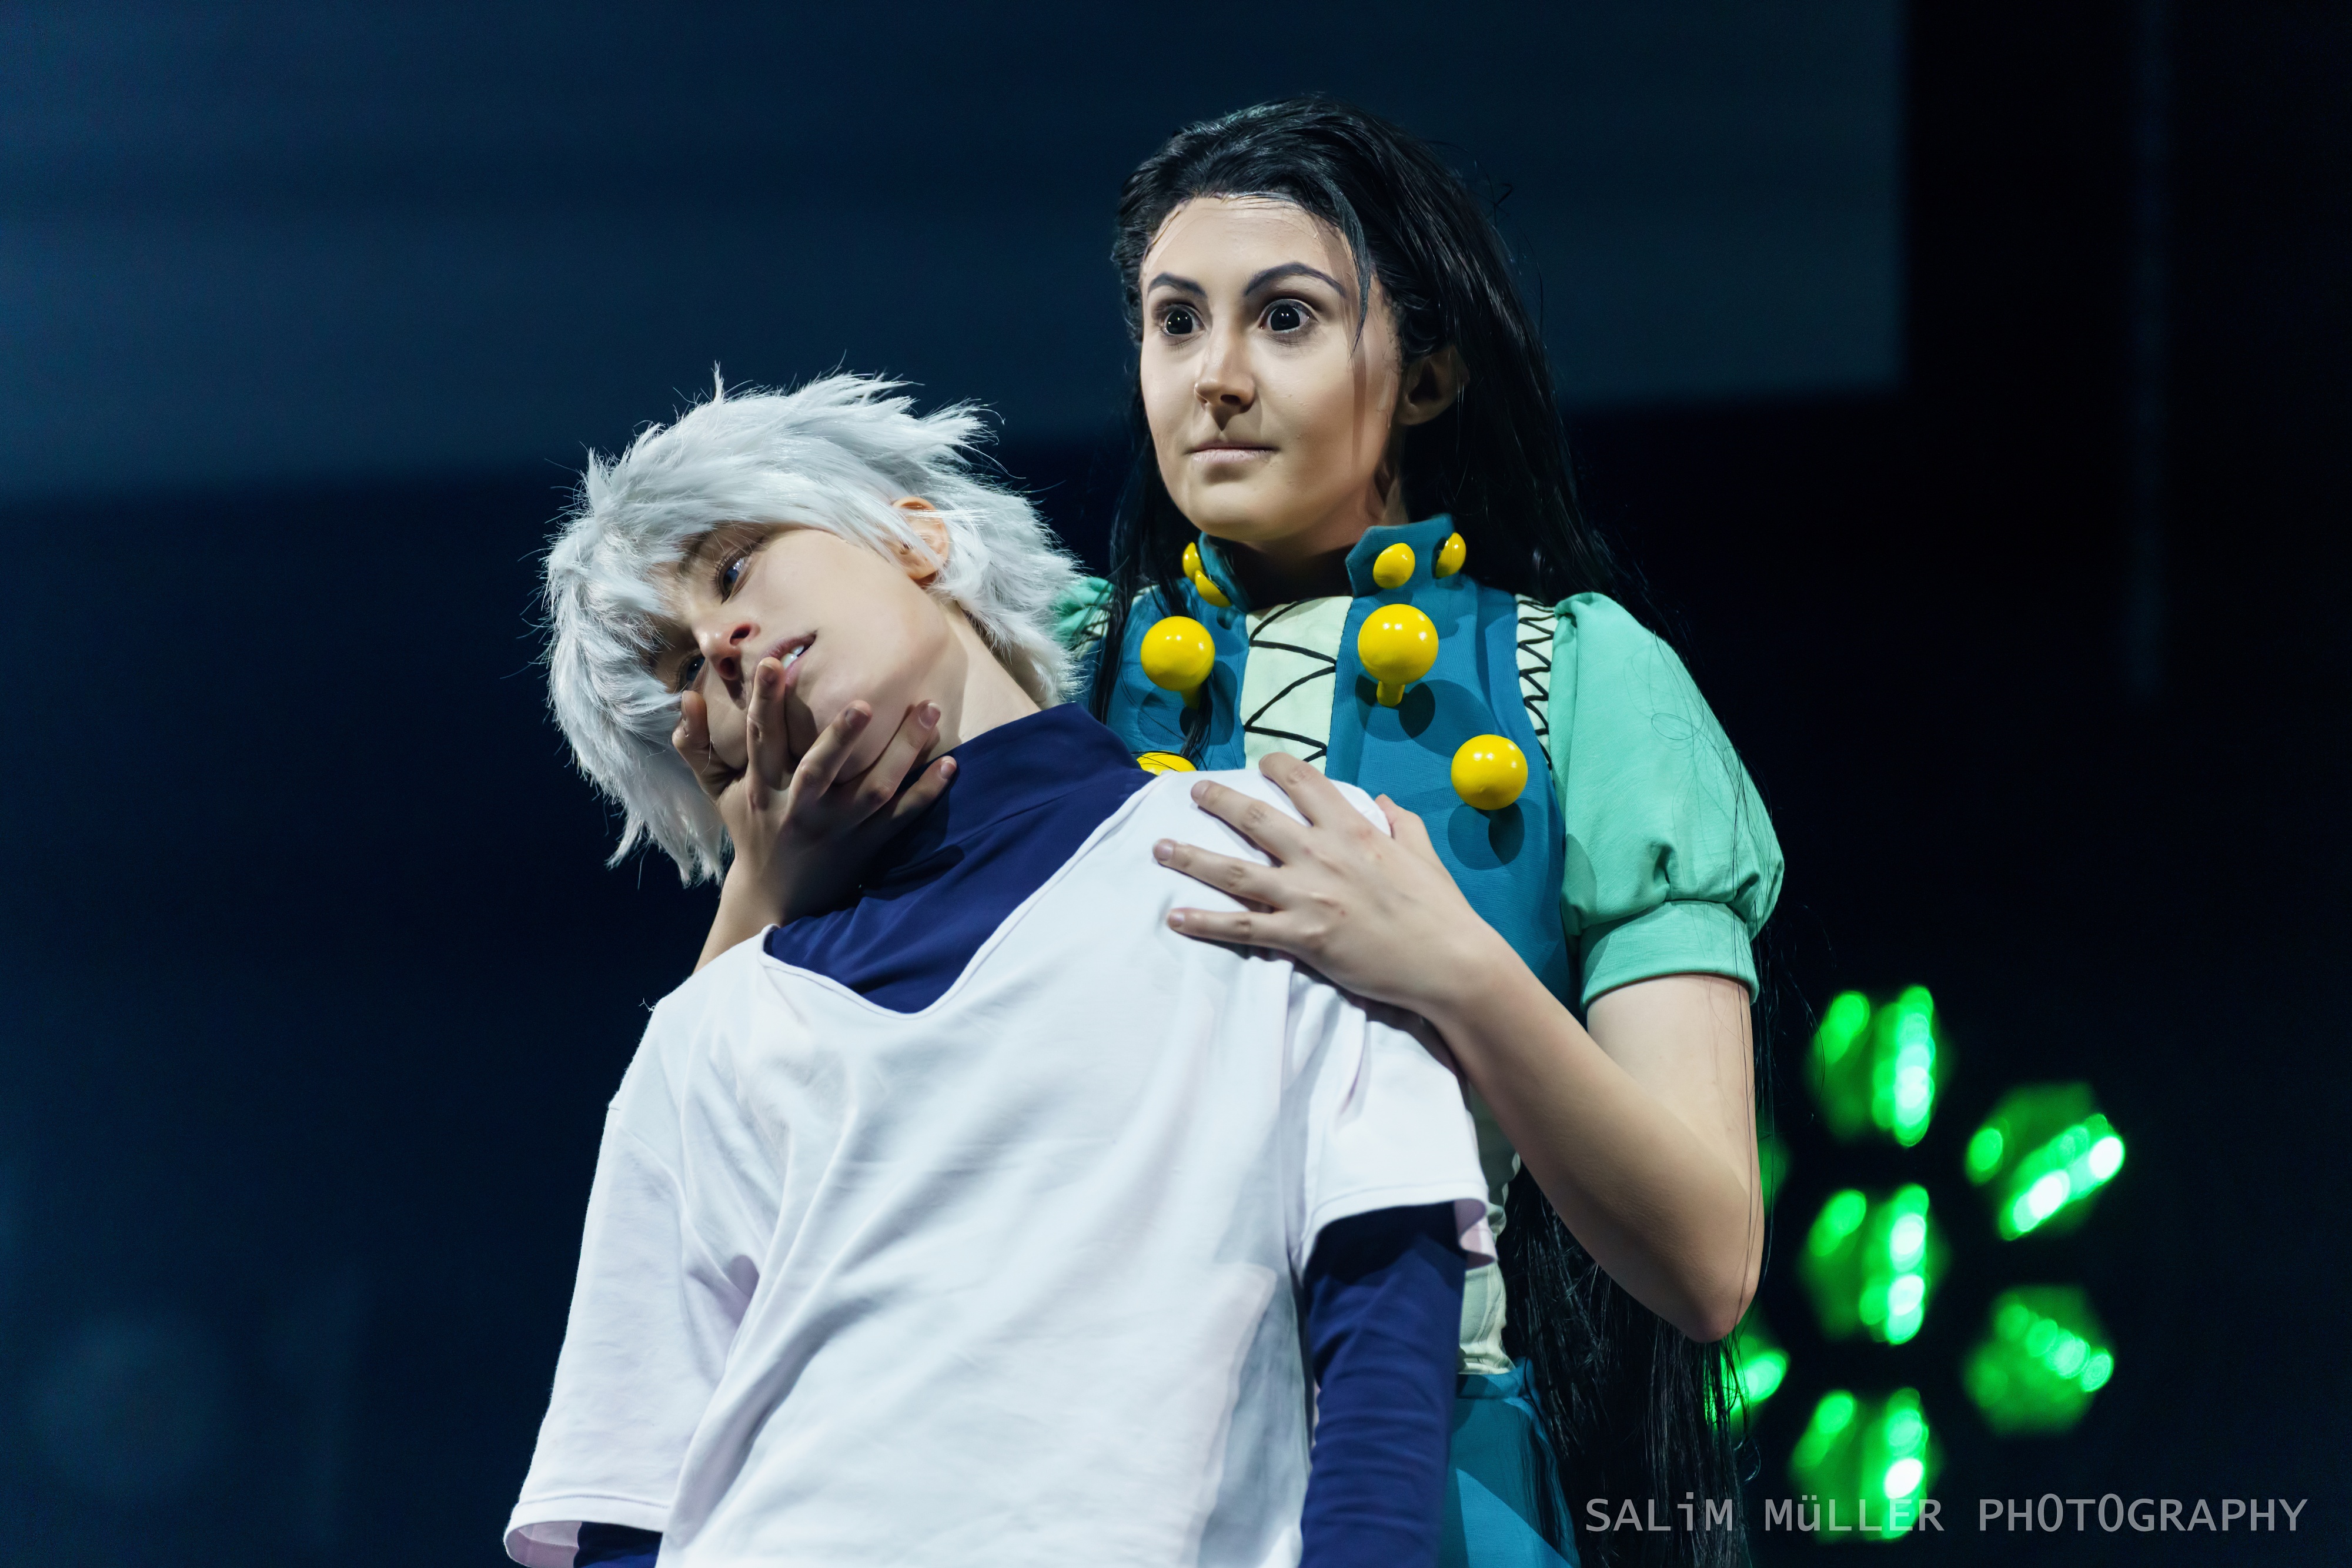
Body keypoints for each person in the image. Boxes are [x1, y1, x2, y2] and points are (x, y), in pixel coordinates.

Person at [507, 373, 1499, 1568]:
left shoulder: (1276, 851)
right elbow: (625, 1499)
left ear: (917, 536)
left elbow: (1385, 1283)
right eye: (678, 670)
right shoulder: (711, 1026)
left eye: (735, 568)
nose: (720, 644)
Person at [1061, 100, 1786, 1568]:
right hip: (1074, 1461)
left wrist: (1448, 963)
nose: (1215, 375)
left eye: (1284, 318)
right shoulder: (1050, 671)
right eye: (1175, 321)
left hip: (1430, 1456)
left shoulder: (1578, 674)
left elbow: (1706, 1255)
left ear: (1431, 371)